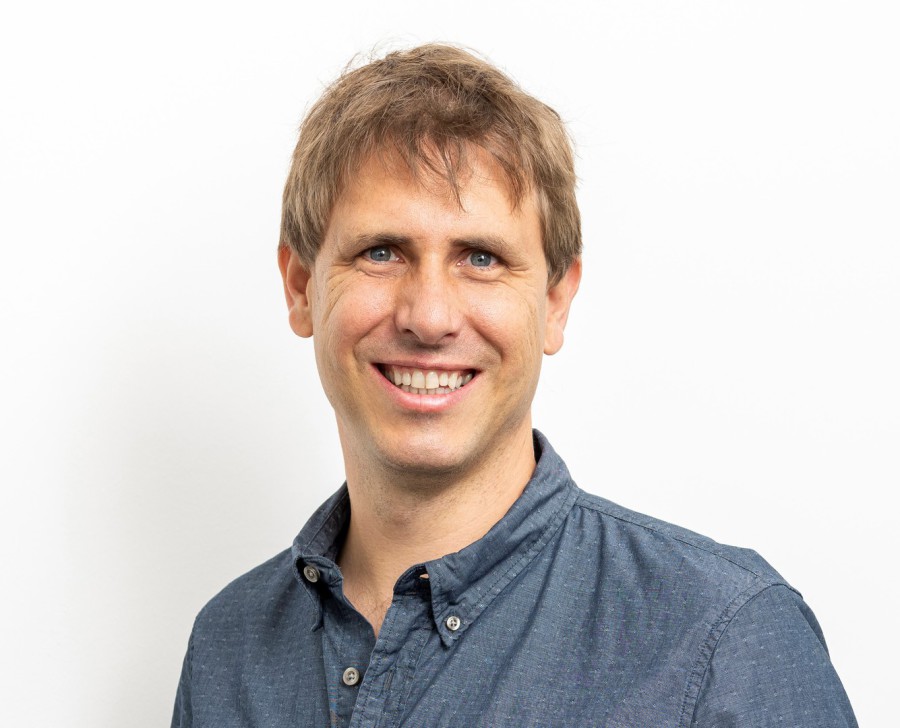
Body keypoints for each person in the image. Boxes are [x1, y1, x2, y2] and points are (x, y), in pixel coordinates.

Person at [172, 44, 857, 727]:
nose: (429, 317)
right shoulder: (227, 647)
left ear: (555, 302)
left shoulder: (724, 641)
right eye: (381, 253)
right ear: (301, 288)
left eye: (481, 258)